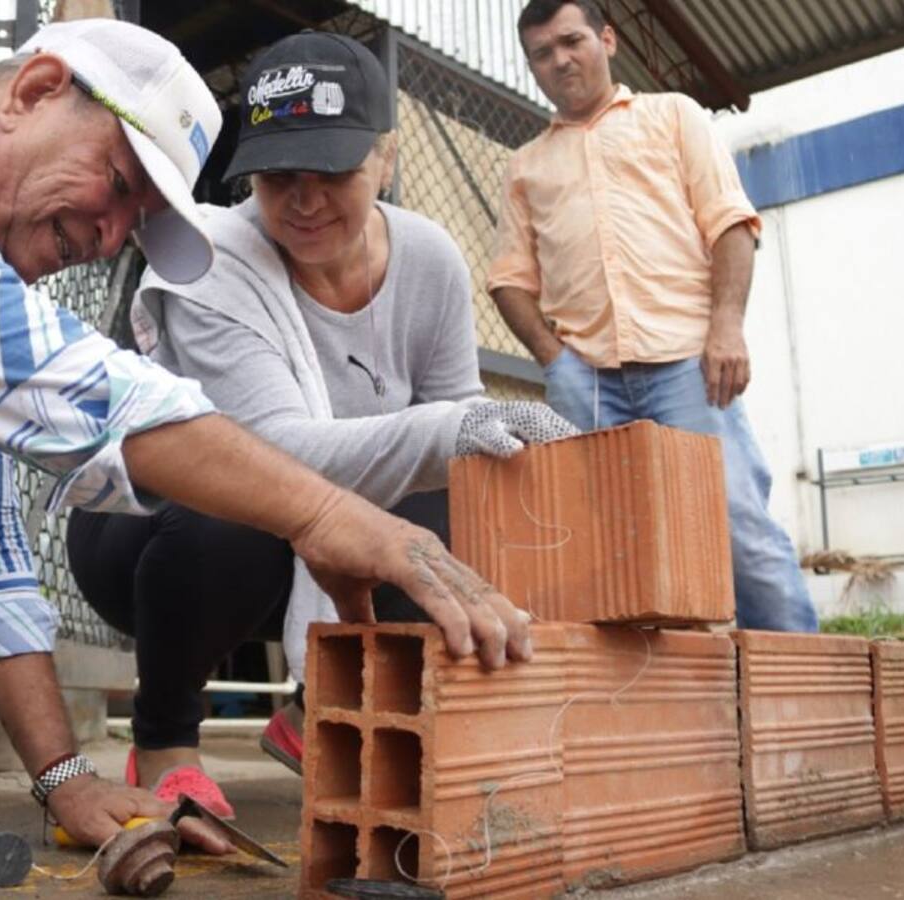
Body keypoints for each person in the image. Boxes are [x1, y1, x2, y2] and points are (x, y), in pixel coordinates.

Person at [0, 18, 532, 881]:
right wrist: (321, 512)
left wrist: (64, 778)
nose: (108, 235)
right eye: (120, 183)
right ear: (34, 92)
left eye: (135, 220)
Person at [66, 31, 578, 818]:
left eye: (332, 173)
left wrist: (461, 437)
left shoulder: (430, 259)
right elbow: (267, 451)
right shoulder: (208, 257)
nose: (304, 203)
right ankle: (164, 742)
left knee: (461, 495)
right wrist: (449, 430)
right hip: (149, 537)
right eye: (279, 178)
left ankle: (333, 710)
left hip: (315, 538)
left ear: (386, 158)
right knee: (232, 504)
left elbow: (458, 447)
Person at [487, 0, 818, 633]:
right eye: (542, 53)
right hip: (586, 384)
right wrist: (556, 362)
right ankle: (647, 692)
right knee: (603, 550)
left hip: (688, 368)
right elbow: (509, 280)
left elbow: (730, 225)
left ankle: (804, 686)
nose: (561, 60)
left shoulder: (673, 115)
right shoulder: (524, 166)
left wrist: (726, 329)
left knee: (738, 532)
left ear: (607, 40)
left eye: (572, 41)